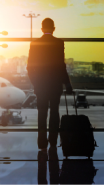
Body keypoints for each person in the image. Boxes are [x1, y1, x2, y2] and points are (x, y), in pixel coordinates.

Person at [27, 18, 74, 150]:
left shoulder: (34, 43)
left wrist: (35, 83)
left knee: (42, 113)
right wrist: (67, 84)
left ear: (41, 29)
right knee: (54, 112)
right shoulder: (59, 43)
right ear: (54, 28)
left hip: (41, 85)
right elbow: (61, 66)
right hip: (55, 85)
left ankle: (42, 143)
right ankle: (53, 141)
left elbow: (30, 67)